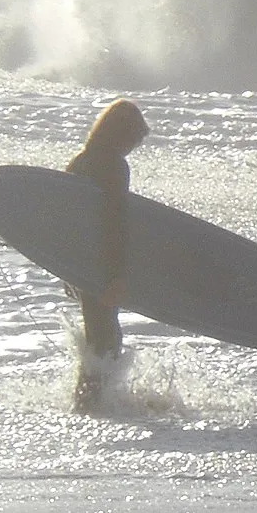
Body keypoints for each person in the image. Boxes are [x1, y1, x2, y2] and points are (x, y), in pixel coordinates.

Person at [64, 98, 149, 412]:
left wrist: (66, 267)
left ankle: (88, 400)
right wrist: (117, 277)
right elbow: (115, 222)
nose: (132, 149)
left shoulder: (81, 161)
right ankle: (92, 405)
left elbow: (65, 218)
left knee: (97, 335)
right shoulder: (113, 165)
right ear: (121, 134)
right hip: (101, 265)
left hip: (84, 264)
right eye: (133, 141)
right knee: (106, 339)